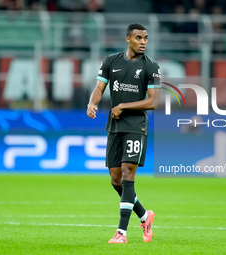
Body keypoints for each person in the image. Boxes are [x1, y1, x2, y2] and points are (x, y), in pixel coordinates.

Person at [86, 23, 160, 244]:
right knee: (115, 180)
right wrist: (92, 103)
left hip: (136, 127)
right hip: (115, 126)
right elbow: (99, 88)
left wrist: (124, 107)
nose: (143, 41)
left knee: (129, 176)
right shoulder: (111, 61)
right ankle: (145, 216)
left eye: (146, 38)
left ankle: (121, 232)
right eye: (139, 38)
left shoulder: (151, 66)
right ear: (128, 39)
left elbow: (153, 101)